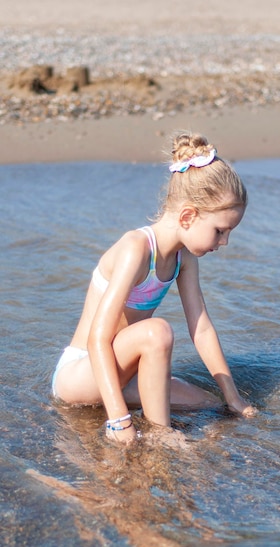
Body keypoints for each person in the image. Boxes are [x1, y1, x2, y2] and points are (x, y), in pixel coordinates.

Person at [52, 131, 256, 444]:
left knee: (210, 406)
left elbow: (201, 330)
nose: (224, 242)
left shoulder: (182, 258)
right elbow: (97, 339)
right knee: (157, 332)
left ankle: (160, 437)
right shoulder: (137, 249)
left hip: (126, 374)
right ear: (188, 216)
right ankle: (162, 436)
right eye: (220, 231)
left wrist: (233, 398)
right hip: (82, 373)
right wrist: (119, 420)